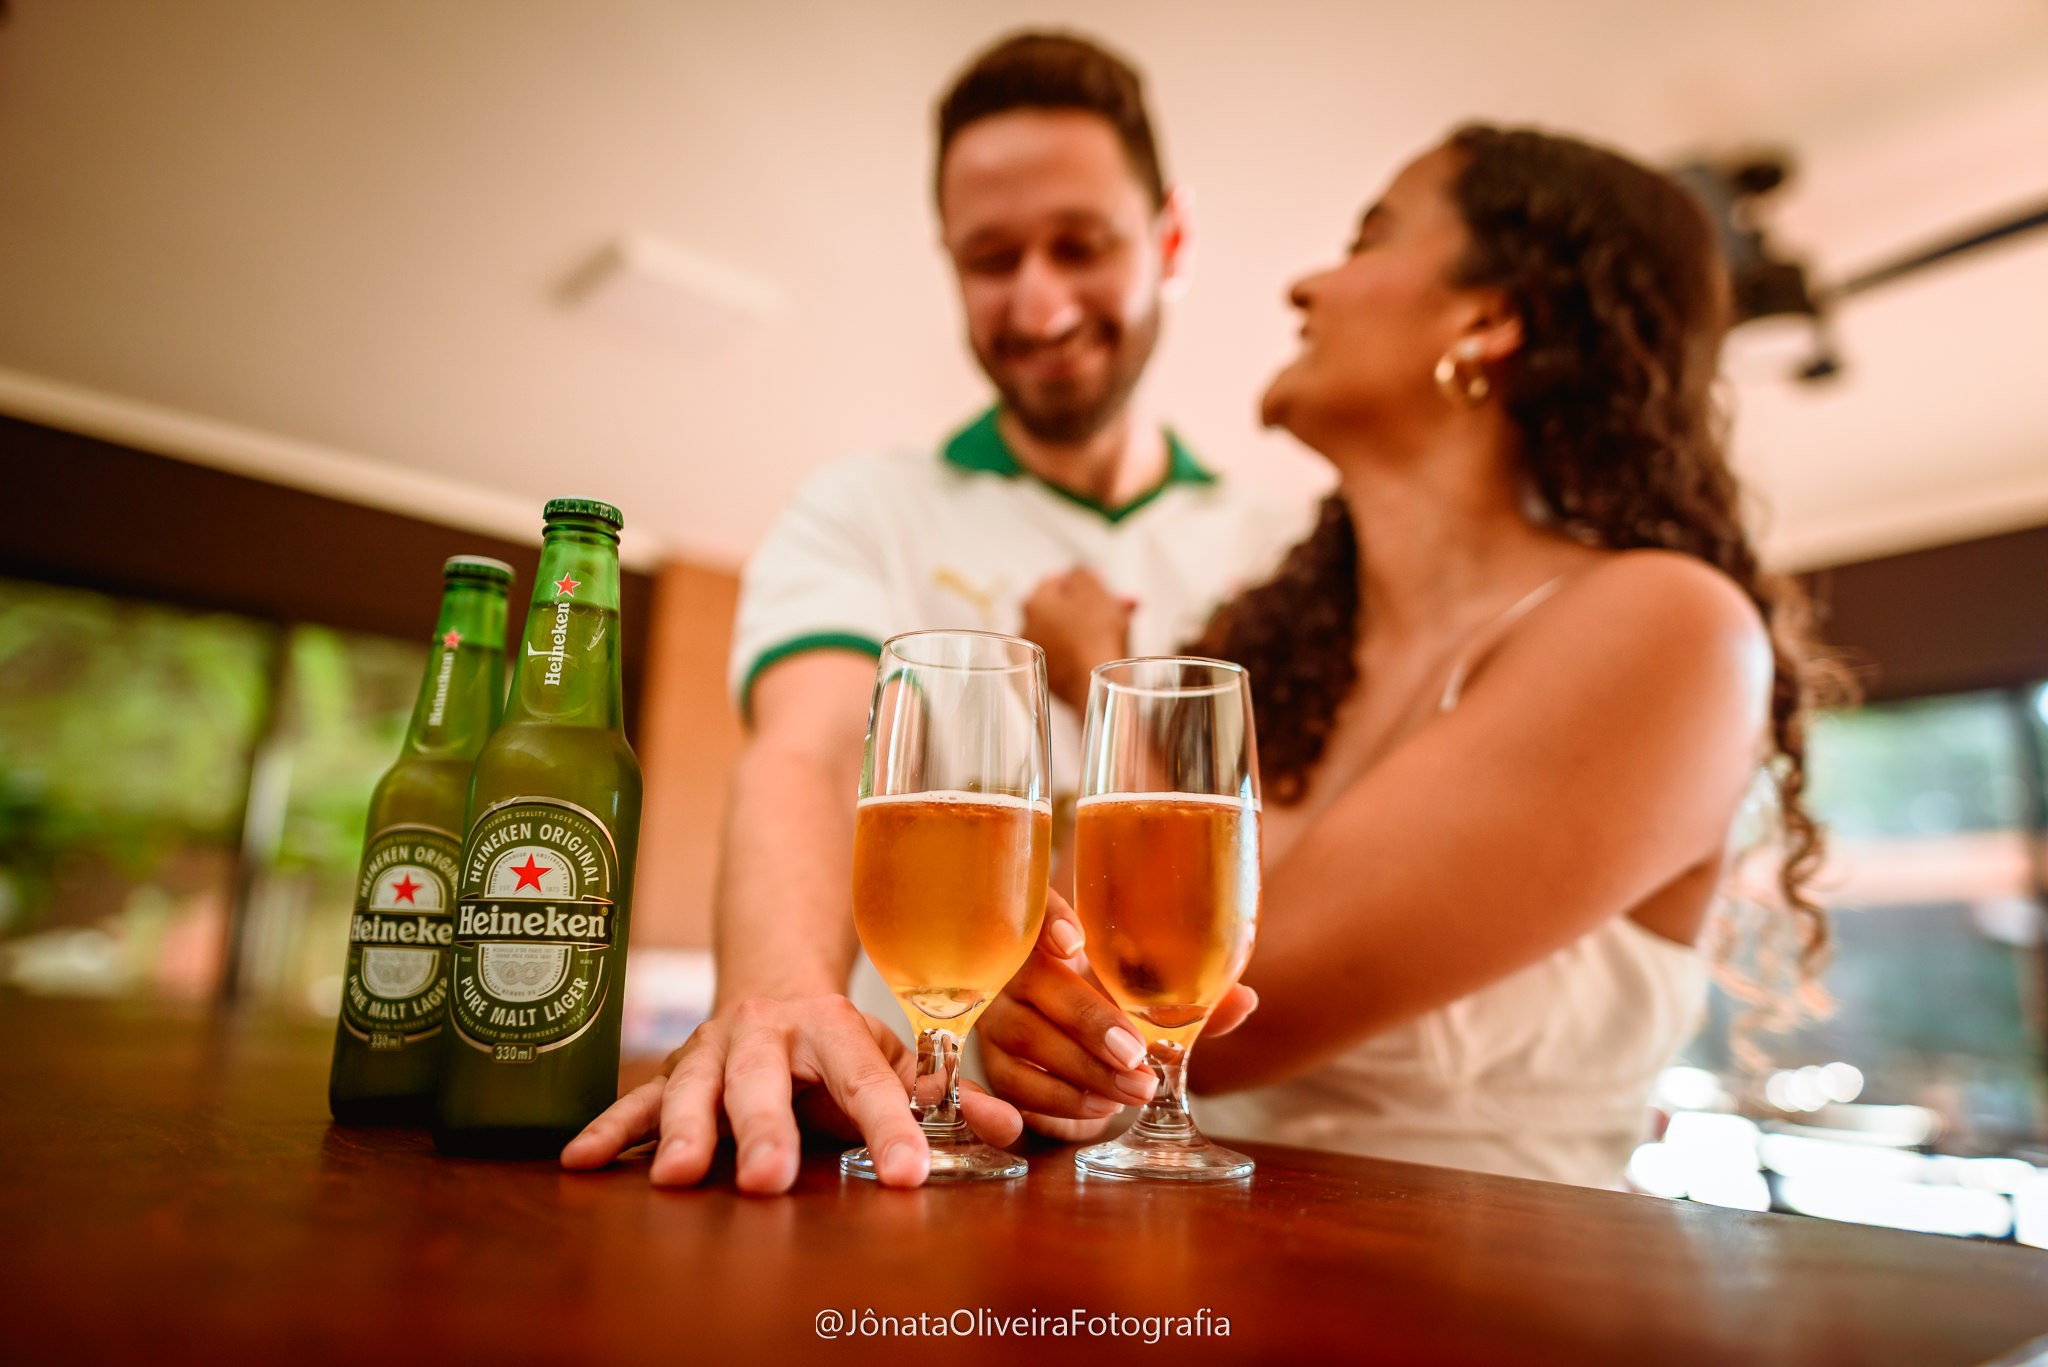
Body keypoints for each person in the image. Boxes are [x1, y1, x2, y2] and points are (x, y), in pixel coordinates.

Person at [979, 124, 1841, 1188]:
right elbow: (1080, 1015)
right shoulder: (1271, 652)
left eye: (1368, 238)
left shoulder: (1671, 626)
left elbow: (1196, 1018)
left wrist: (1103, 684)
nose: (1304, 286)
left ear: (1485, 320)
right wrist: (1033, 1031)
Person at [560, 32, 1312, 1191]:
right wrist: (780, 995)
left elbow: (1292, 861)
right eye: (991, 258)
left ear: (1170, 239)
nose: (1038, 302)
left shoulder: (1280, 543)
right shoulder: (863, 506)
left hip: (1224, 1185)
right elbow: (810, 751)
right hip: (914, 1148)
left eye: (1081, 245)